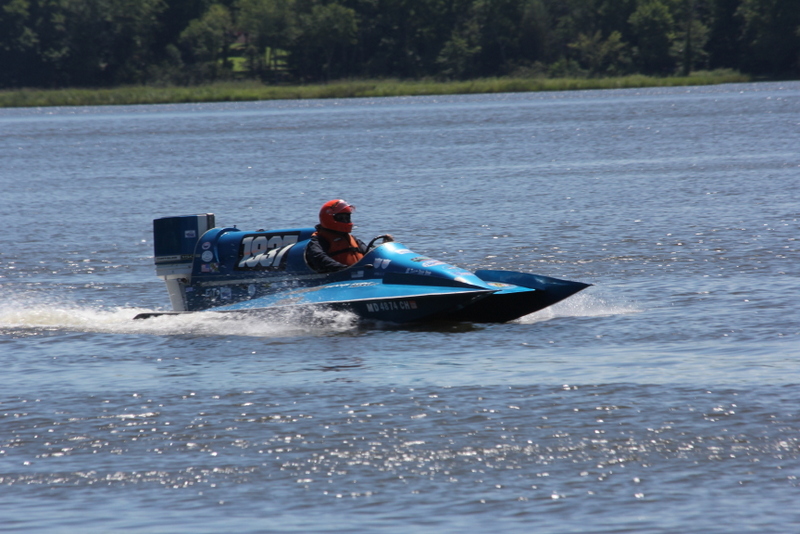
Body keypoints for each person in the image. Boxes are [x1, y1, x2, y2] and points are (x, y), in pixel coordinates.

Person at [306, 199, 368, 273]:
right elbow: (318, 258)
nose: (345, 221)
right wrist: (346, 269)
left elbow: (371, 254)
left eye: (347, 218)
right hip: (338, 278)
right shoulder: (320, 240)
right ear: (328, 218)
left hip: (359, 275)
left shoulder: (353, 239)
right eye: (341, 218)